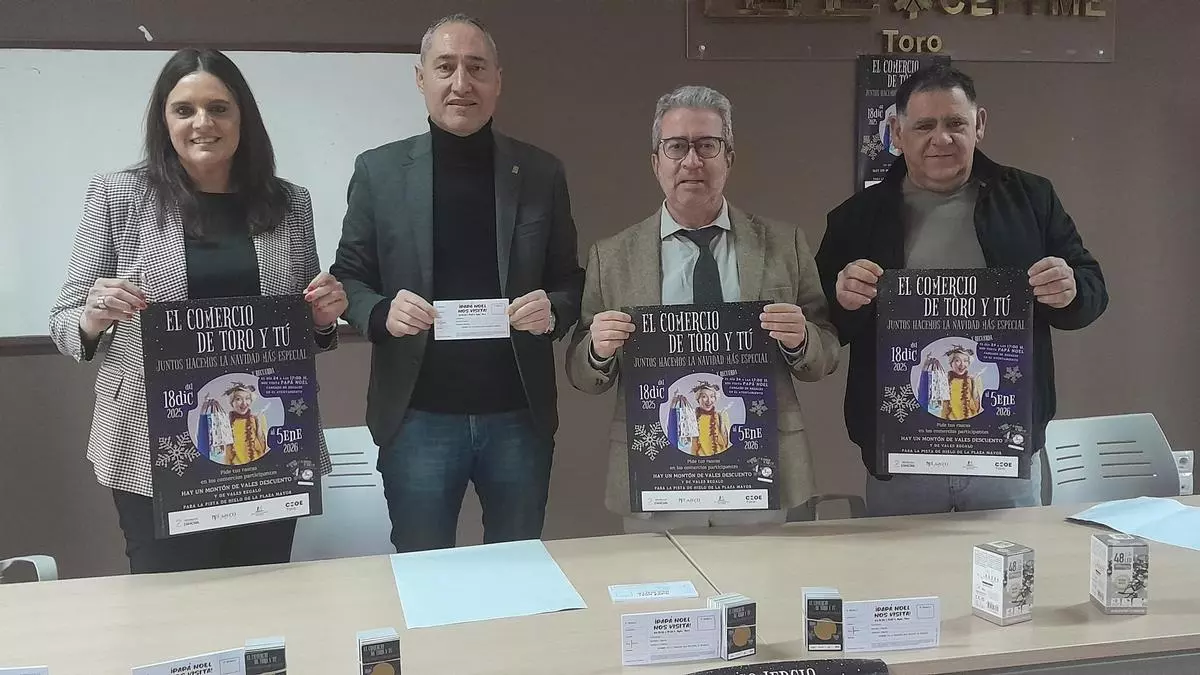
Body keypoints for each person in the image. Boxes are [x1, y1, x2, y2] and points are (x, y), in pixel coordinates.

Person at [48, 48, 347, 574]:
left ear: (243, 118)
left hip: (264, 441)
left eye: (219, 108)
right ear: (163, 121)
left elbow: (302, 322)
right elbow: (65, 319)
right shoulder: (119, 195)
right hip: (152, 443)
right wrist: (93, 315)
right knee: (172, 603)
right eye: (184, 110)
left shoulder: (289, 203)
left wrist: (322, 316)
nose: (202, 123)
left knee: (265, 592)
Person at [330, 14, 584, 553]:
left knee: (518, 565)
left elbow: (568, 279)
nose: (461, 83)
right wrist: (381, 312)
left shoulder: (541, 173)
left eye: (477, 68)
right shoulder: (378, 171)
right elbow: (349, 274)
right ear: (421, 78)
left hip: (517, 415)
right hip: (417, 417)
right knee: (423, 569)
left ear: (498, 80)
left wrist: (555, 311)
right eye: (446, 67)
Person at [815, 63, 1108, 516]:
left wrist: (1070, 291)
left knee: (1012, 563)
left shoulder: (1031, 198)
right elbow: (822, 325)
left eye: (955, 123)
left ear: (979, 124)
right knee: (901, 565)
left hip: (1005, 451)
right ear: (897, 133)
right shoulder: (854, 218)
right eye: (924, 126)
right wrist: (844, 300)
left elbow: (1091, 289)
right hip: (902, 454)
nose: (942, 138)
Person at [565, 85, 840, 533]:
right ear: (656, 162)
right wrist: (596, 349)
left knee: (760, 580)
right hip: (656, 473)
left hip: (757, 469)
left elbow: (825, 353)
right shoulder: (611, 256)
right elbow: (582, 374)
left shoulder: (783, 243)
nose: (691, 161)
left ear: (728, 157)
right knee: (662, 582)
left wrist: (803, 339)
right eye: (676, 147)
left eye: (707, 145)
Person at [224, 382, 268, 465]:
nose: (244, 403)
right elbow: (227, 453)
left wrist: (258, 423)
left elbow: (263, 448)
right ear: (232, 402)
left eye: (247, 398)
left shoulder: (258, 419)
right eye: (238, 399)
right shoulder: (227, 422)